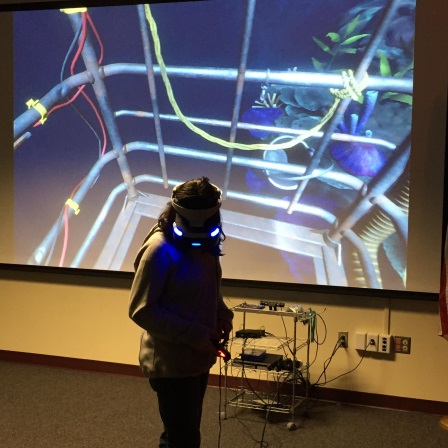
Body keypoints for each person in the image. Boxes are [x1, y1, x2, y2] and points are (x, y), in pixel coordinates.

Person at [129, 177, 234, 448]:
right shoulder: (158, 249)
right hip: (171, 364)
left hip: (198, 358)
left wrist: (222, 313)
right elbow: (142, 310)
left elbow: (208, 286)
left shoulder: (207, 244)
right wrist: (194, 335)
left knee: (183, 432)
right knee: (183, 438)